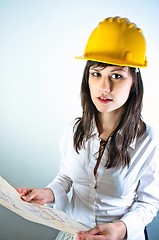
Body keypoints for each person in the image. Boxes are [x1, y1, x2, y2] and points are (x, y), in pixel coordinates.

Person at [16, 16, 159, 240]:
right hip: (75, 233)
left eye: (117, 76)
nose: (104, 87)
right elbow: (65, 178)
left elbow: (148, 202)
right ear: (87, 78)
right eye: (96, 74)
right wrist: (47, 194)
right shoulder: (75, 129)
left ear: (133, 83)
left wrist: (120, 229)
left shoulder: (148, 139)